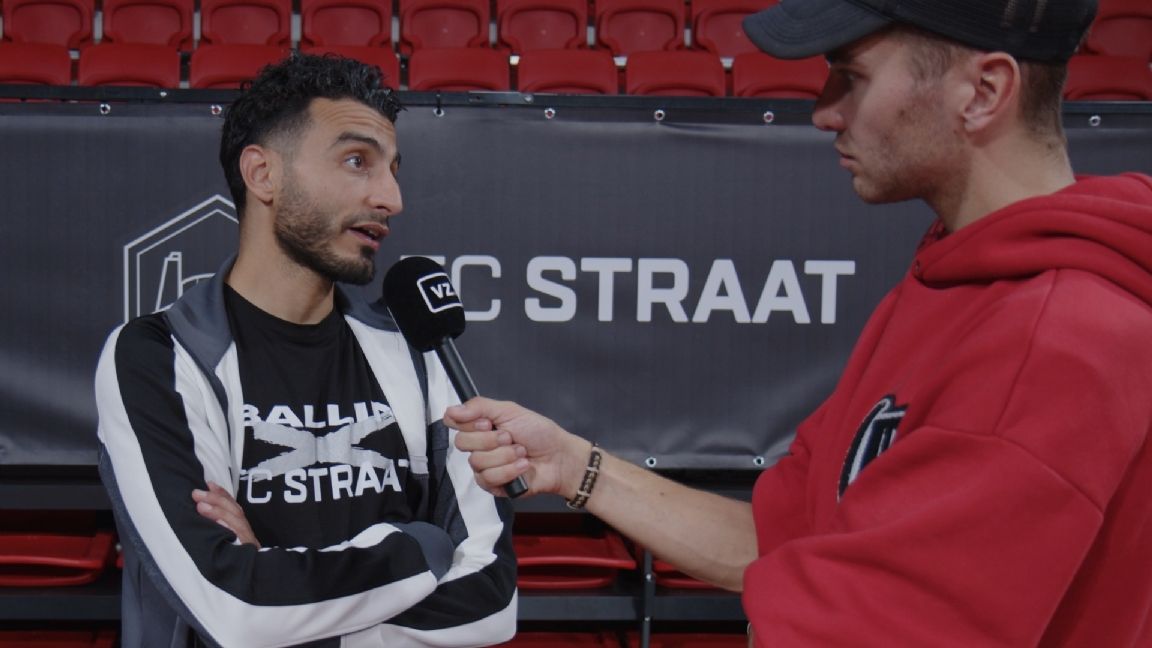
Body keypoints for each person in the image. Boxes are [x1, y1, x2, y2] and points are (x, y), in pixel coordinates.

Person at [446, 0, 1152, 644]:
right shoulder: (949, 283)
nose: (823, 112)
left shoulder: (1052, 340)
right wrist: (574, 465)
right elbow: (782, 537)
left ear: (984, 91)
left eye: (853, 77)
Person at [95, 53, 517, 648]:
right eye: (356, 161)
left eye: (393, 170)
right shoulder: (157, 355)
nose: (391, 198)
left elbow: (491, 603)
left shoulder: (419, 351)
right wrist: (421, 546)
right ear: (262, 174)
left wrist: (280, 593)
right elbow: (232, 609)